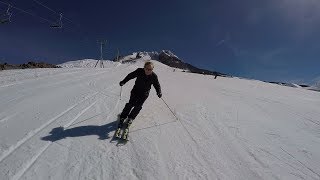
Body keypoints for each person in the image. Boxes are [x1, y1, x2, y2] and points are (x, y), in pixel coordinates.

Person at [118, 61, 162, 128]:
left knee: (138, 106)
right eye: (147, 69)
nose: (148, 71)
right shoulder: (139, 71)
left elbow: (157, 85)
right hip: (135, 91)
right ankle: (123, 117)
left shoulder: (154, 76)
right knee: (131, 104)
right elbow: (130, 76)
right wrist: (123, 81)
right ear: (144, 67)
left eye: (150, 69)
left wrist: (159, 92)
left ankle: (131, 118)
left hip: (144, 93)